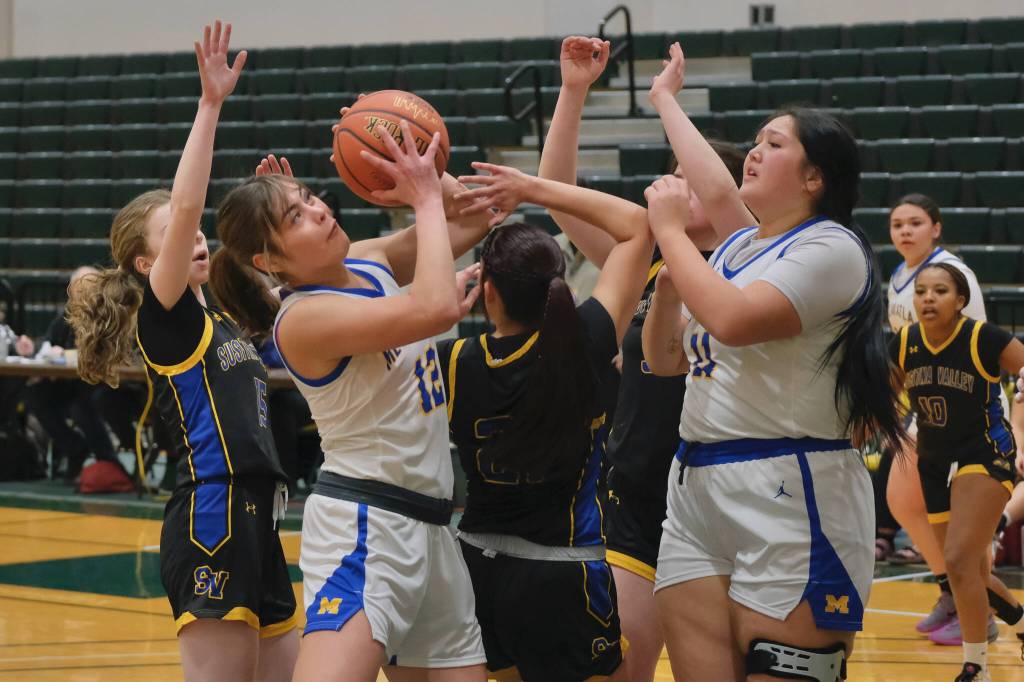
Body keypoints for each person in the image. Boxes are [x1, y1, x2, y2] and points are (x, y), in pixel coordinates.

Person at [640, 42, 905, 682]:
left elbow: (732, 322)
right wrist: (663, 100)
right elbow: (664, 361)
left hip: (792, 486)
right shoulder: (736, 250)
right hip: (696, 484)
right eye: (755, 141)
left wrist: (671, 235)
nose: (754, 152)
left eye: (775, 144)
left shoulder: (833, 247)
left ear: (816, 178)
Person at [209, 121, 492, 680]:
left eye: (310, 198)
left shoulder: (368, 261)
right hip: (367, 527)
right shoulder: (304, 318)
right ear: (268, 261)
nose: (318, 211)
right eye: (296, 217)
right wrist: (425, 199)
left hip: (434, 524)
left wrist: (422, 170)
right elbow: (435, 306)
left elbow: (478, 217)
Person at [67, 22, 299, 681]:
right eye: (179, 234)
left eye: (197, 232)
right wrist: (209, 106)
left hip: (262, 512)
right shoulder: (165, 317)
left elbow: (289, 276)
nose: (197, 237)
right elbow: (193, 196)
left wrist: (279, 204)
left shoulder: (220, 313)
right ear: (148, 262)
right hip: (211, 512)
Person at [532, 34, 744, 682]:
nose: (671, 186)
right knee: (622, 665)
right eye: (672, 175)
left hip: (722, 491)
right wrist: (573, 92)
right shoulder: (649, 262)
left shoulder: (753, 271)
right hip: (634, 491)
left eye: (688, 178)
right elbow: (556, 192)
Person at [442, 153, 653, 680]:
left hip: (477, 565)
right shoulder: (587, 340)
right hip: (563, 574)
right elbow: (636, 229)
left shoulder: (454, 362)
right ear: (558, 281)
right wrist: (533, 189)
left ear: (486, 288)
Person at [891, 262, 1024, 682]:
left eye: (940, 291)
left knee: (958, 560)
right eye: (922, 291)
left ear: (961, 300)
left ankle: (975, 667)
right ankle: (1020, 622)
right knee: (970, 572)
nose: (928, 298)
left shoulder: (983, 336)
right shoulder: (905, 342)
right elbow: (887, 398)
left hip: (985, 454)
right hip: (933, 460)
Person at [884, 194, 998, 645]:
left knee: (962, 523)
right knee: (904, 500)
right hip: (926, 402)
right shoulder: (898, 277)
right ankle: (951, 592)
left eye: (915, 222)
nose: (905, 231)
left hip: (966, 402)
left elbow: (975, 343)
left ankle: (982, 610)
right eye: (897, 224)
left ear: (936, 227)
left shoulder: (953, 272)